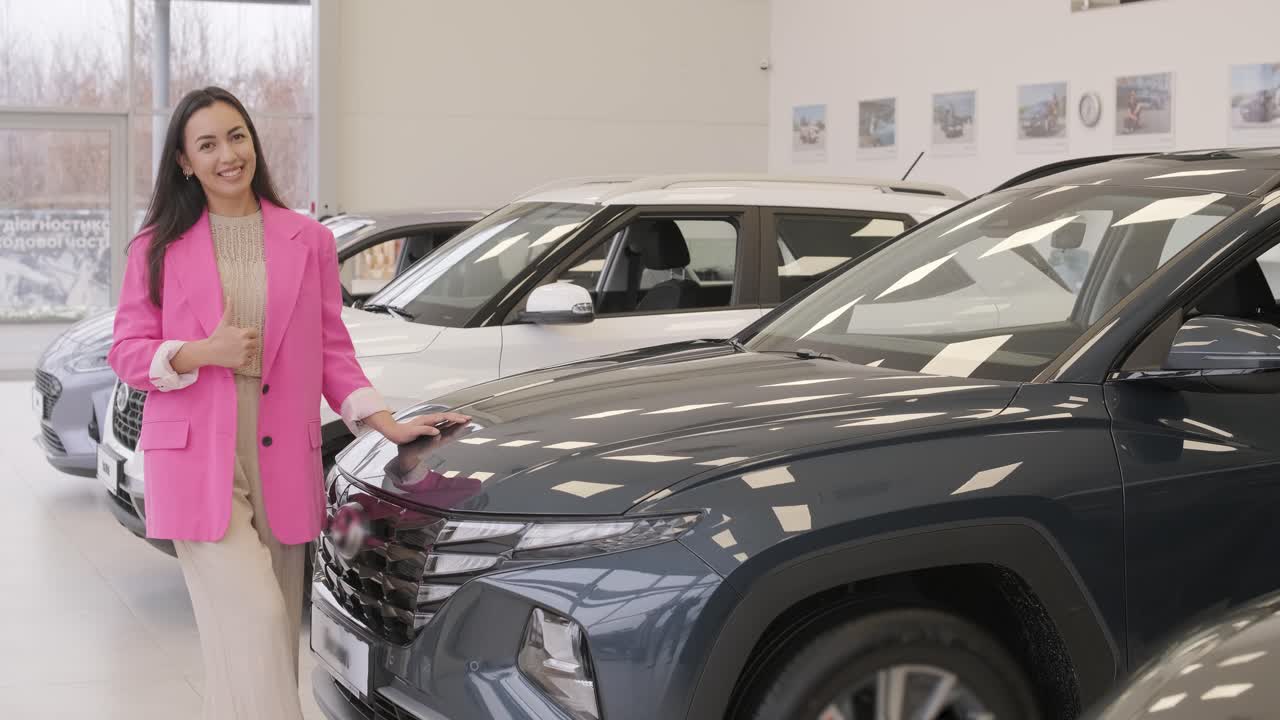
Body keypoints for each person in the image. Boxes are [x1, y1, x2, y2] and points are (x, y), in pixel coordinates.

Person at [107, 86, 469, 720]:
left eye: (237, 136)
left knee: (262, 645)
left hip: (279, 456)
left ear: (254, 140)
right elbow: (128, 352)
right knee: (256, 617)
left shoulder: (308, 240)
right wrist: (198, 352)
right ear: (185, 162)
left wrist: (385, 423)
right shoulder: (157, 247)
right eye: (208, 145)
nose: (228, 154)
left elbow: (332, 347)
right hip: (195, 460)